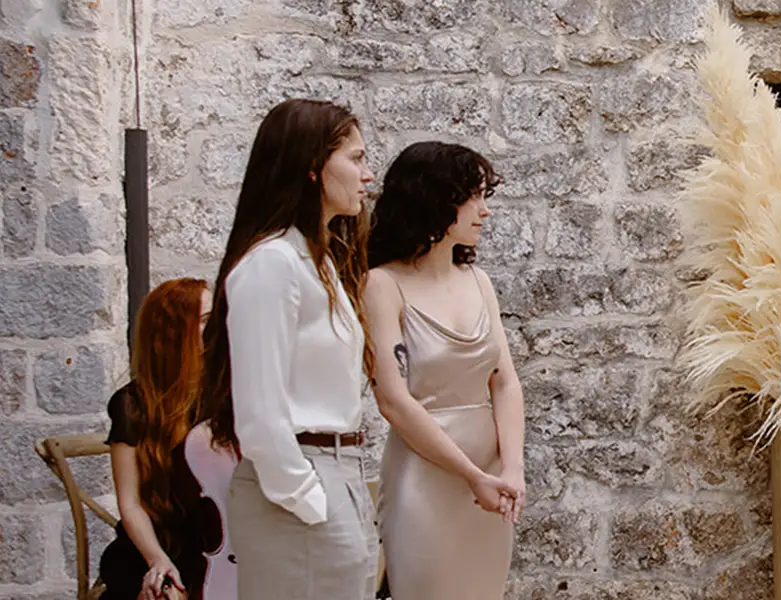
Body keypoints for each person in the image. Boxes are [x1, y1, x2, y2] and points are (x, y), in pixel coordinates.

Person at [197, 98, 378, 600]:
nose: (367, 174)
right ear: (314, 168)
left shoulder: (317, 263)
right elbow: (258, 409)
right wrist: (305, 497)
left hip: (340, 474)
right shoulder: (273, 263)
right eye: (356, 158)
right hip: (303, 479)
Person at [364, 141, 525, 599]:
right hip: (426, 474)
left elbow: (506, 381)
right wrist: (471, 473)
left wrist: (511, 468)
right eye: (472, 196)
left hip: (491, 481)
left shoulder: (479, 281)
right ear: (435, 199)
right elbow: (393, 400)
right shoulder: (382, 285)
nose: (484, 211)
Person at [100, 278, 238, 600]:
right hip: (156, 546)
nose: (217, 327)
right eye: (205, 320)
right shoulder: (133, 404)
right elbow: (130, 503)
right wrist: (157, 560)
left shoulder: (226, 396)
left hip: (214, 544)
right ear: (175, 331)